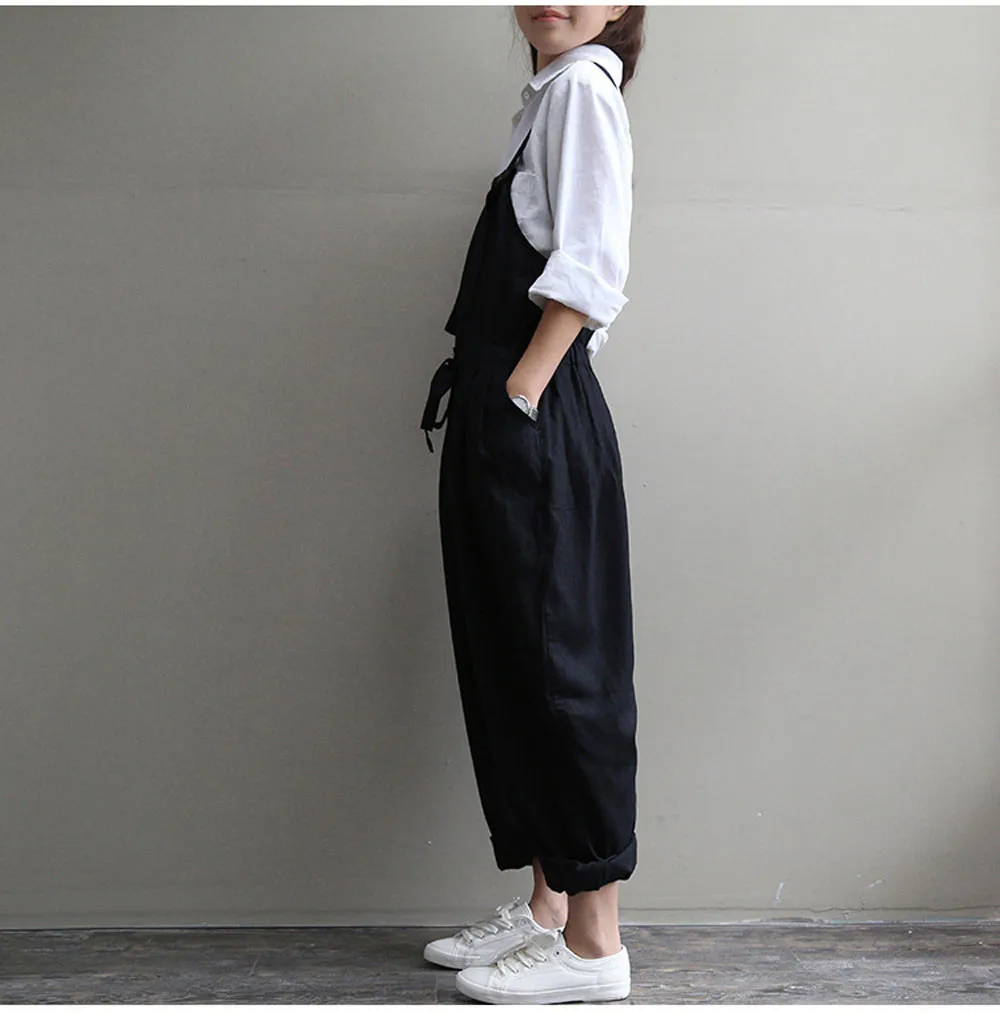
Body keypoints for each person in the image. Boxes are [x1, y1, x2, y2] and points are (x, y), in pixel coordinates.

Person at [420, 5, 645, 1004]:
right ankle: (549, 908)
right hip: (505, 403)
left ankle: (595, 948)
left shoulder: (584, 91)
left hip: (532, 405)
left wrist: (519, 392)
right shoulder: (548, 98)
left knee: (562, 666)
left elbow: (590, 264)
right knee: (515, 656)